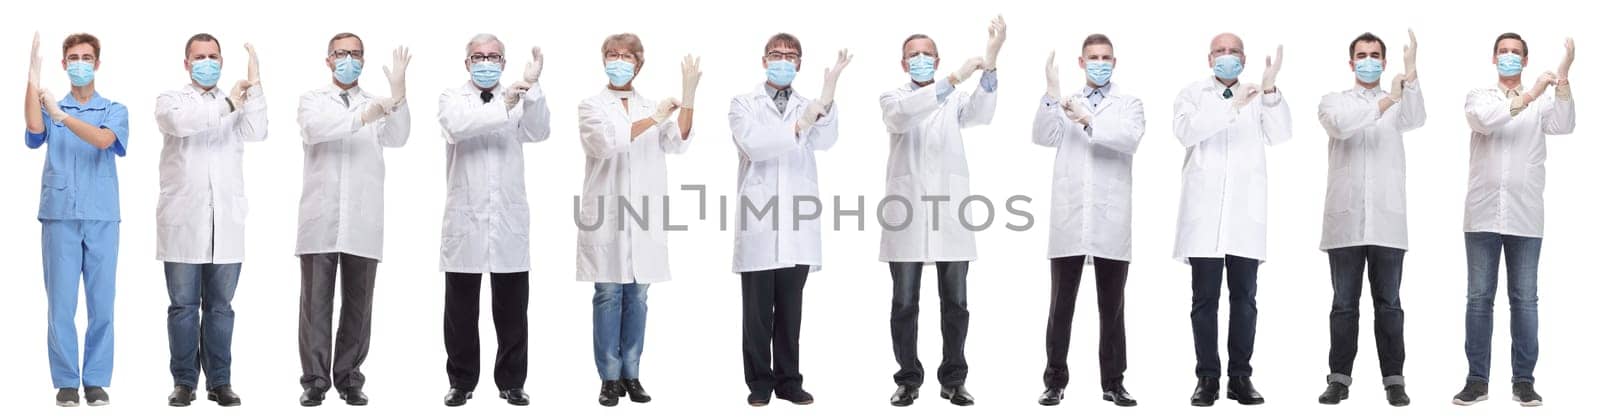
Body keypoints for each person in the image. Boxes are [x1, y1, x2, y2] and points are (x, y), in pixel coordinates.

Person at [879, 15, 1003, 407]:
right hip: (907, 217)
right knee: (904, 304)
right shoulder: (893, 99)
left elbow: (982, 115)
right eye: (912, 55)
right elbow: (903, 117)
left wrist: (991, 62)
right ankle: (908, 379)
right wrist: (951, 78)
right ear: (903, 64)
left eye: (926, 54)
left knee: (956, 305)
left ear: (936, 59)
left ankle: (954, 379)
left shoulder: (955, 101)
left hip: (950, 216)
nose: (919, 60)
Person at [575, 32, 699, 407]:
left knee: (639, 298)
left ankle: (632, 373)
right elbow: (605, 143)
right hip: (608, 216)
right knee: (609, 295)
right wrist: (655, 117)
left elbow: (677, 142)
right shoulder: (590, 106)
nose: (618, 60)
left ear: (639, 63)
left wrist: (688, 97)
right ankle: (609, 378)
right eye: (611, 54)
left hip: (643, 217)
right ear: (603, 60)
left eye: (626, 55)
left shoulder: (650, 104)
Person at [1453, 33, 1575, 408]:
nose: (1509, 57)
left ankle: (1524, 381)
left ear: (1525, 60)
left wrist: (1564, 77)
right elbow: (1485, 122)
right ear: (1494, 58)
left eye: (1515, 53)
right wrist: (1531, 93)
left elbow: (1565, 124)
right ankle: (1477, 380)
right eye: (1503, 52)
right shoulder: (1480, 97)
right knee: (1479, 299)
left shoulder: (1543, 104)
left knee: (1525, 300)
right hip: (1482, 216)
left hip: (1525, 217)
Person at [729, 32, 850, 407]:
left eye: (792, 55)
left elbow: (827, 140)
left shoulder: (807, 104)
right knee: (757, 315)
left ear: (800, 64)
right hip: (760, 225)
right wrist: (798, 126)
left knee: (790, 312)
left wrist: (827, 98)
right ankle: (760, 383)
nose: (784, 60)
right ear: (764, 60)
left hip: (797, 225)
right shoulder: (742, 104)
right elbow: (754, 143)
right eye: (777, 54)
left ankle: (788, 380)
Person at [1172, 32, 1290, 407]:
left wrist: (1270, 93)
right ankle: (1207, 378)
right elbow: (1186, 132)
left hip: (1244, 215)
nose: (1227, 57)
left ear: (1245, 57)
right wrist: (1231, 106)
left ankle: (1240, 377)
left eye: (1234, 51)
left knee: (1245, 299)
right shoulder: (1192, 94)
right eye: (1220, 52)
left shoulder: (1258, 96)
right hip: (1203, 215)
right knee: (1203, 300)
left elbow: (1281, 134)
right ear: (1209, 59)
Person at [293, 32, 411, 407]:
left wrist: (399, 97)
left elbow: (399, 137)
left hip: (363, 220)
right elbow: (316, 131)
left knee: (359, 306)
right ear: (328, 60)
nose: (349, 59)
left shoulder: (378, 103)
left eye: (356, 54)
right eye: (341, 53)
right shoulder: (313, 101)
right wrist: (364, 116)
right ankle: (314, 380)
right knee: (316, 306)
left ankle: (349, 378)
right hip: (320, 218)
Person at [436, 33, 551, 408]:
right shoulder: (452, 99)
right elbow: (459, 127)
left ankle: (512, 382)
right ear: (466, 63)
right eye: (478, 57)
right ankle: (461, 381)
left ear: (504, 63)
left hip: (508, 220)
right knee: (460, 312)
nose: (486, 62)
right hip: (465, 221)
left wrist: (532, 89)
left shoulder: (519, 97)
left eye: (494, 57)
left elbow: (538, 131)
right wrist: (506, 102)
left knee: (513, 310)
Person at [1030, 33, 1144, 408]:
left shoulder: (1128, 104)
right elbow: (1043, 137)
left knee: (1112, 307)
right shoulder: (1066, 103)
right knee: (1060, 306)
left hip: (1111, 221)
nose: (1100, 62)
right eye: (1093, 57)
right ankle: (1054, 381)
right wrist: (1050, 94)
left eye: (1106, 57)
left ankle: (1114, 382)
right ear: (1081, 62)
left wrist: (1089, 119)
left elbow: (1129, 139)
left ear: (1115, 62)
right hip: (1070, 218)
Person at [153, 33, 266, 408]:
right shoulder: (171, 100)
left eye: (213, 56)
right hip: (183, 221)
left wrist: (256, 87)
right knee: (183, 307)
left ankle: (221, 381)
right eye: (199, 56)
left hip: (227, 221)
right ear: (186, 63)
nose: (207, 62)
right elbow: (181, 124)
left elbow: (257, 131)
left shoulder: (236, 98)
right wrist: (231, 102)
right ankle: (184, 382)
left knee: (221, 308)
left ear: (222, 61)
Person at [1314, 30, 1423, 407]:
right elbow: (1340, 126)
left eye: (1375, 55)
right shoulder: (1334, 102)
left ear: (1385, 61)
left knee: (1389, 303)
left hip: (1387, 222)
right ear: (1350, 62)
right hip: (1345, 222)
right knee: (1344, 304)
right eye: (1362, 55)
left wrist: (1412, 77)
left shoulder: (1399, 99)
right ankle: (1339, 379)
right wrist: (1387, 99)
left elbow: (1416, 117)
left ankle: (1394, 379)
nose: (1369, 60)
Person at [24, 31, 130, 408]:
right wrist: (32, 77)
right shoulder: (50, 106)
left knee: (102, 304)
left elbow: (103, 141)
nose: (80, 63)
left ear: (97, 64)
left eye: (87, 57)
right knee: (61, 305)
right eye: (73, 57)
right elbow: (36, 129)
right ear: (64, 64)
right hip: (60, 216)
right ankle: (67, 380)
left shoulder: (113, 109)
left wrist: (61, 116)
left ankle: (97, 380)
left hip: (101, 217)